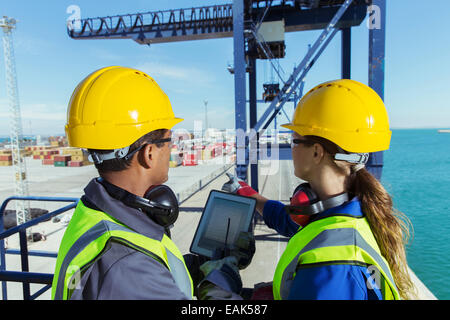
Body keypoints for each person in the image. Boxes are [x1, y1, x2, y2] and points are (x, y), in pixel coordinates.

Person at [51, 66, 247, 300]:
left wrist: (198, 266)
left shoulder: (94, 214)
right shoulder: (127, 267)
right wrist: (220, 284)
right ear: (150, 154)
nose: (173, 148)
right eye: (169, 141)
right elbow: (134, 276)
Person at [223, 79, 417, 300]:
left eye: (294, 140)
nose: (291, 148)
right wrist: (247, 193)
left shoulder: (330, 268)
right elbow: (290, 220)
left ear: (316, 152)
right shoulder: (348, 211)